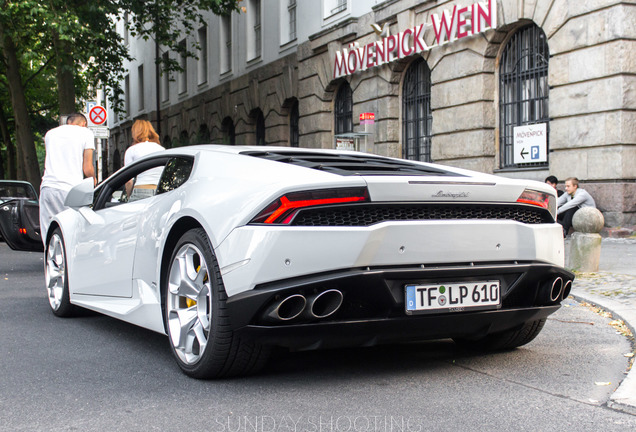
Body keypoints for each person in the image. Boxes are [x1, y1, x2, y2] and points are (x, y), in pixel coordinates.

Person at [39, 113, 95, 244]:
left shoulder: (50, 134)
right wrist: (93, 179)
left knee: (49, 230)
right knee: (71, 230)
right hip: (70, 189)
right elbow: (87, 168)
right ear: (83, 124)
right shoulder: (86, 133)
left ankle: (51, 260)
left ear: (68, 122)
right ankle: (69, 262)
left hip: (48, 187)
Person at [124, 119, 165, 201]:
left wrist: (129, 197)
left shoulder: (132, 150)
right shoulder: (161, 149)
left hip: (140, 190)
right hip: (159, 192)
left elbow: (128, 181)